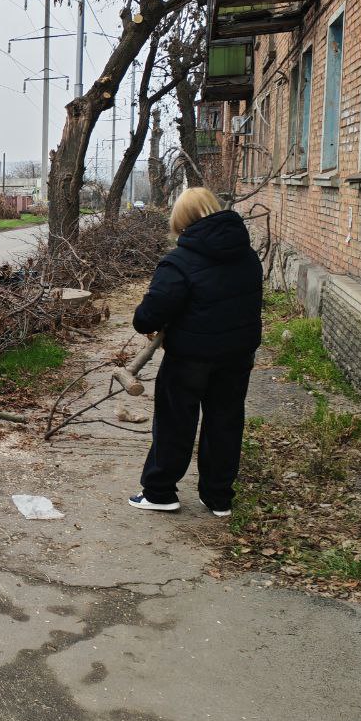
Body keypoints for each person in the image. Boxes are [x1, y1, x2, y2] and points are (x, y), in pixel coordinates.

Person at [127, 187, 262, 518]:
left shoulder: (180, 260)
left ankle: (160, 492)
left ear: (182, 221)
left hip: (190, 357)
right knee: (226, 421)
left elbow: (150, 314)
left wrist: (147, 321)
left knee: (175, 422)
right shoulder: (248, 255)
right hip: (237, 356)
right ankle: (218, 498)